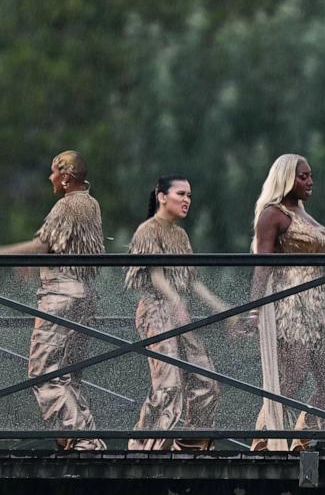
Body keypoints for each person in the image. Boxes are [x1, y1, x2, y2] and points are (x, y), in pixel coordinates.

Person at [0, 150, 105, 451]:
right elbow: (65, 248)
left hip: (60, 297)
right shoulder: (91, 204)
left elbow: (41, 244)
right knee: (68, 377)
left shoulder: (67, 205)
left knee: (44, 373)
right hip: (84, 294)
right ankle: (85, 440)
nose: (50, 178)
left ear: (66, 177)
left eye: (54, 173)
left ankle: (84, 443)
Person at [124, 175, 232, 450]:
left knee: (206, 380)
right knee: (168, 385)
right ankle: (144, 450)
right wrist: (175, 302)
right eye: (181, 194)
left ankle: (190, 447)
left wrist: (226, 309)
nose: (187, 201)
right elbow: (156, 274)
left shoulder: (180, 235)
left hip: (177, 311)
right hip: (156, 310)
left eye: (189, 196)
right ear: (162, 196)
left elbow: (192, 282)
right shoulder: (148, 230)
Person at [249, 154, 325, 451]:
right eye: (303, 176)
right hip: (290, 305)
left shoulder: (303, 212)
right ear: (286, 178)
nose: (310, 181)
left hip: (319, 306)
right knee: (294, 377)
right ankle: (264, 439)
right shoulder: (272, 214)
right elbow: (261, 265)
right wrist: (253, 310)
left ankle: (304, 434)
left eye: (311, 175)